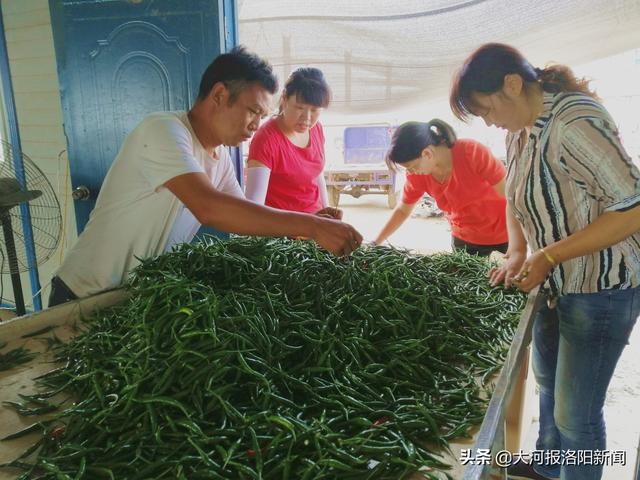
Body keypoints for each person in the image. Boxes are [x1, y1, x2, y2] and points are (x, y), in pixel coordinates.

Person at [450, 43, 640, 480]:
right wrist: (518, 249)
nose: (488, 121)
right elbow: (515, 196)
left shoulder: (575, 122)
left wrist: (550, 254)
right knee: (550, 387)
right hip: (555, 283)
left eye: (485, 108)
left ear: (512, 85)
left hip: (602, 287)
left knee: (578, 417)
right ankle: (550, 466)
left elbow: (631, 206)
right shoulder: (521, 129)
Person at [49, 46, 362, 307]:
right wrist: (311, 225)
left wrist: (312, 223)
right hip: (82, 294)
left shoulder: (220, 158)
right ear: (219, 95)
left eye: (262, 117)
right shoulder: (163, 131)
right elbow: (208, 207)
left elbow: (246, 223)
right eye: (253, 111)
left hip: (130, 298)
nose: (256, 125)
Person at [373, 119, 508, 256]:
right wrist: (376, 243)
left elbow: (510, 196)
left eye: (413, 167)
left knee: (514, 275)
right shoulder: (417, 176)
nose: (411, 172)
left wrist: (518, 245)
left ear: (427, 153)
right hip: (465, 237)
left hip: (506, 231)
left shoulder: (471, 152)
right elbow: (402, 211)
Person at [245, 67, 340, 218]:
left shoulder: (316, 129)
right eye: (299, 108)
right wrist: (307, 225)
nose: (307, 118)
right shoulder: (266, 140)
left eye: (315, 110)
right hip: (282, 234)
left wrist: (327, 210)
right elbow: (253, 209)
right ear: (284, 98)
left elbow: (317, 173)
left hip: (316, 226)